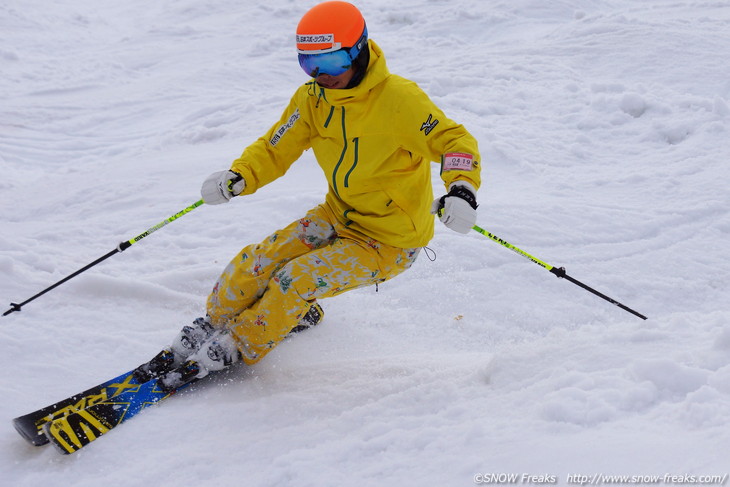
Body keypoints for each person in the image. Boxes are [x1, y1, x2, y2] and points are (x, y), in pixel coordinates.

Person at [160, 1, 482, 386]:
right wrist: (240, 175)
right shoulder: (312, 98)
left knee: (295, 279)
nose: (320, 75)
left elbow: (453, 140)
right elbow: (276, 146)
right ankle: (216, 321)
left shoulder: (399, 99)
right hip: (337, 214)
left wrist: (461, 188)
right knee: (258, 260)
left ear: (358, 51)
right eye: (309, 64)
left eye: (329, 63)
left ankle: (240, 343)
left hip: (389, 240)